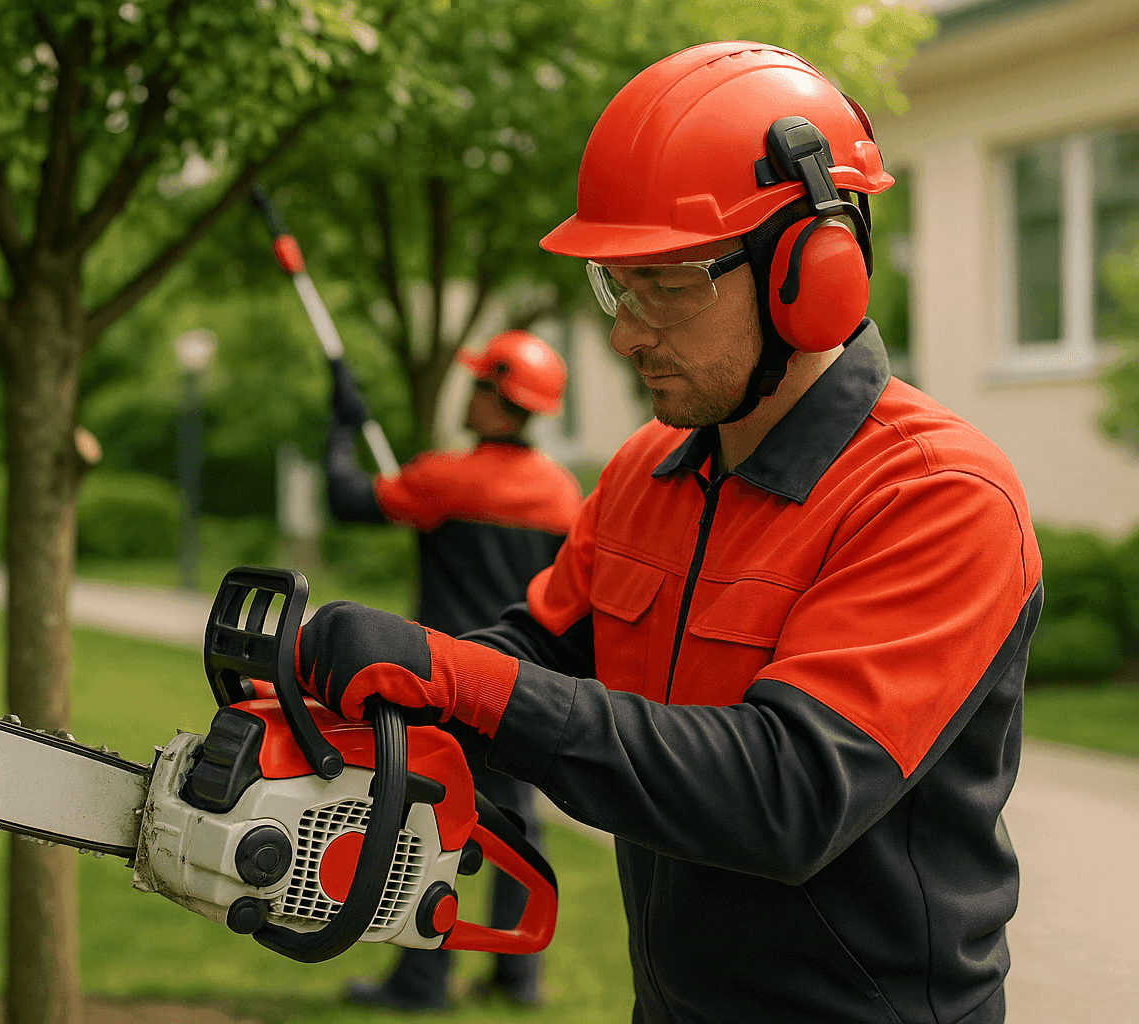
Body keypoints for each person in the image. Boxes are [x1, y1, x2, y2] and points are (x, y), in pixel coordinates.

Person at [293, 41, 1043, 1024]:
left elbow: (787, 792)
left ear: (812, 267)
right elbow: (538, 653)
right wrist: (366, 717)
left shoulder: (938, 496)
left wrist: (459, 677)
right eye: (617, 283)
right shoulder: (650, 467)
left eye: (668, 284)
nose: (625, 331)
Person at [321, 329, 582, 1011]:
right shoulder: (563, 496)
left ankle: (419, 983)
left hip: (444, 685)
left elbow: (347, 499)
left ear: (501, 400)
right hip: (524, 685)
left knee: (427, 828)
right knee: (515, 827)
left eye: (478, 386)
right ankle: (516, 975)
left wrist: (341, 426)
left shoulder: (444, 479)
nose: (467, 394)